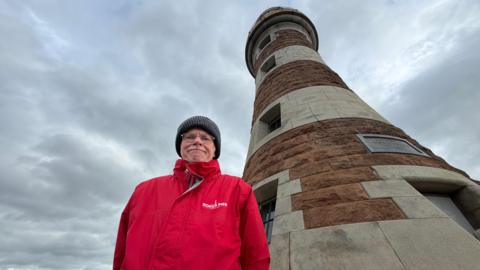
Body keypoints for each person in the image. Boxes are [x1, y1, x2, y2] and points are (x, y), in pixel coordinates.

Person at [113, 116, 270, 270]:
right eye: (189, 137)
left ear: (215, 150)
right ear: (180, 146)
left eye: (205, 138)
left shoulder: (238, 189)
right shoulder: (144, 191)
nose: (197, 141)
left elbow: (256, 256)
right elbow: (121, 252)